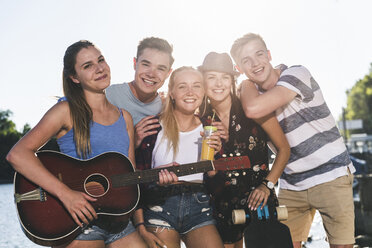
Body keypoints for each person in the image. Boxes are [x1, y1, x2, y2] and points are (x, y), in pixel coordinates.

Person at [6, 40, 175, 248]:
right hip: (77, 221)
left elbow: (130, 179)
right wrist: (66, 194)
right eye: (88, 66)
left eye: (101, 60)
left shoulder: (126, 118)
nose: (99, 68)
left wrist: (156, 177)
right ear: (75, 78)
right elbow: (17, 154)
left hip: (118, 222)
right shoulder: (65, 111)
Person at [230, 33, 355, 248]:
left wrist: (245, 84)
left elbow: (252, 108)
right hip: (292, 184)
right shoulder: (251, 92)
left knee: (342, 246)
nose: (255, 63)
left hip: (330, 174)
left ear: (269, 55)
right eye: (245, 60)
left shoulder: (296, 73)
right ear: (239, 68)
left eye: (259, 54)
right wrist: (245, 84)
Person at [198, 52, 291, 248]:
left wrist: (267, 185)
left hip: (260, 201)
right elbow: (206, 173)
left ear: (232, 80)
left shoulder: (251, 109)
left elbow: (284, 149)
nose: (218, 83)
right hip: (222, 207)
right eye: (212, 77)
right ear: (203, 81)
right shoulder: (201, 119)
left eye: (225, 77)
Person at [135, 66, 225, 248]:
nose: (190, 92)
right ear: (172, 93)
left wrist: (214, 167)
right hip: (159, 205)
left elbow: (220, 184)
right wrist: (154, 178)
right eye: (183, 86)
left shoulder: (212, 129)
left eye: (196, 86)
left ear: (203, 92)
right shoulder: (152, 128)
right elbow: (135, 179)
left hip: (200, 205)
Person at [106, 37, 174, 148]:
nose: (151, 74)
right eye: (146, 64)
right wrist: (133, 140)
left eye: (160, 69)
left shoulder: (165, 108)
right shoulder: (109, 96)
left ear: (168, 73)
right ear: (135, 63)